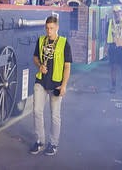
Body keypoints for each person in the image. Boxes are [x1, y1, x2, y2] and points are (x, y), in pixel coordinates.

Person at [30, 15, 71, 157]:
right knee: (36, 111)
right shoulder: (41, 40)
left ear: (57, 28)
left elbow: (67, 66)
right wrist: (39, 65)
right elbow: (35, 57)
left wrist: (64, 85)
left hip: (56, 84)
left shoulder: (64, 43)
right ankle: (39, 141)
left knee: (55, 116)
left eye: (52, 28)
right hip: (41, 81)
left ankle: (53, 144)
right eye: (47, 28)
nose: (49, 31)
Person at [106, 6, 122, 93]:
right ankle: (113, 86)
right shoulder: (110, 22)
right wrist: (106, 47)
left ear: (121, 12)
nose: (117, 13)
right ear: (113, 13)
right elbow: (106, 35)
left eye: (118, 12)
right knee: (113, 67)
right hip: (113, 46)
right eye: (115, 12)